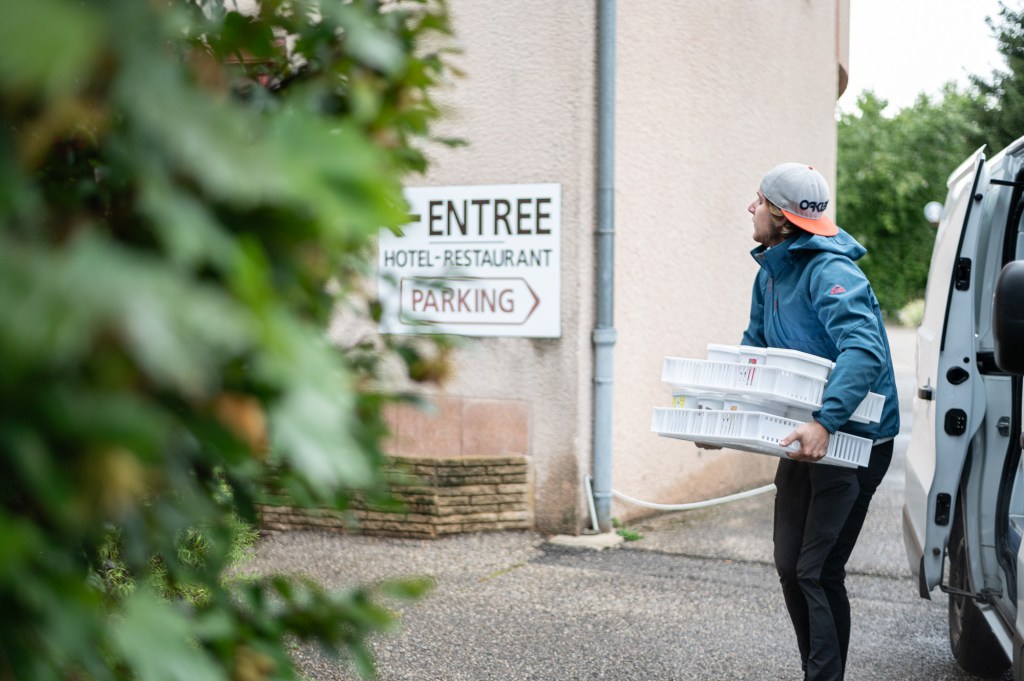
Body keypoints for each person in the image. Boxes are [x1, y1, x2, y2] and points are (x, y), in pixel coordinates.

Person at [743, 163, 901, 680]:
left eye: (759, 200)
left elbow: (864, 350)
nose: (751, 208)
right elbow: (755, 349)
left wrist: (827, 422)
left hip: (851, 440)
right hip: (804, 435)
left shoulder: (831, 272)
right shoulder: (770, 272)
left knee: (818, 569)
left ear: (782, 218)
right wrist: (724, 414)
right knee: (791, 566)